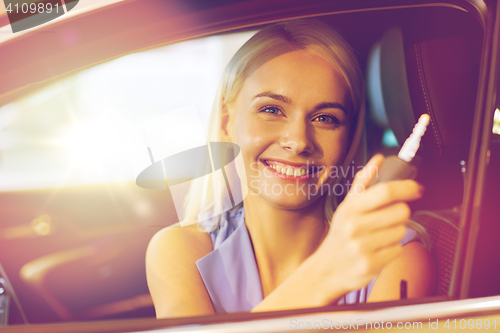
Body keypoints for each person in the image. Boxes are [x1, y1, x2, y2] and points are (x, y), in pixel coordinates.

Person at [146, 19, 436, 318]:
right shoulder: (179, 250)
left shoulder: (397, 258)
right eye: (271, 110)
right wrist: (326, 272)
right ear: (225, 123)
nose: (298, 141)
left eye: (326, 118)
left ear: (349, 136)